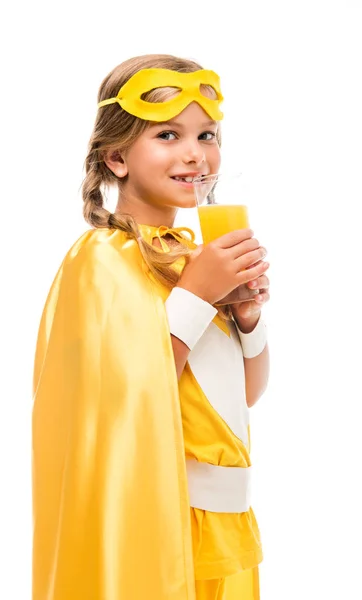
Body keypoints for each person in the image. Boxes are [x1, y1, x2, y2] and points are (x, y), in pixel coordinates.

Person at [32, 53, 270, 600]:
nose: (195, 153)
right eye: (168, 134)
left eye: (207, 134)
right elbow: (122, 400)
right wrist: (196, 295)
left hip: (226, 523)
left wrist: (247, 318)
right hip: (163, 517)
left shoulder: (192, 257)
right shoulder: (100, 260)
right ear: (116, 157)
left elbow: (247, 395)